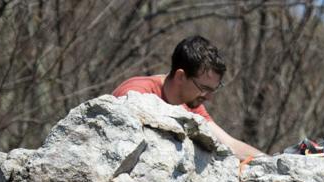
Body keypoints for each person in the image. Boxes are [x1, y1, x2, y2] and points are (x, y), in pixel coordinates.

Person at [112, 35, 265, 160]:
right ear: (180, 76)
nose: (209, 97)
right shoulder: (135, 93)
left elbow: (228, 143)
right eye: (204, 88)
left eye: (213, 89)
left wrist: (271, 162)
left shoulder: (190, 105)